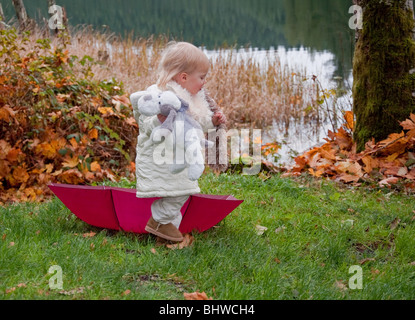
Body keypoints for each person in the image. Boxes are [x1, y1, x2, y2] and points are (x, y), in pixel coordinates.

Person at [130, 42, 227, 242]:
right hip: (160, 159)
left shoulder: (190, 99)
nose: (204, 83)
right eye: (201, 77)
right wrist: (159, 120)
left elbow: (195, 124)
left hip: (179, 158)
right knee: (179, 194)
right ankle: (158, 220)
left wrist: (212, 122)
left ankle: (164, 237)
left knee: (180, 192)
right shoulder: (158, 95)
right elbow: (146, 123)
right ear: (183, 77)